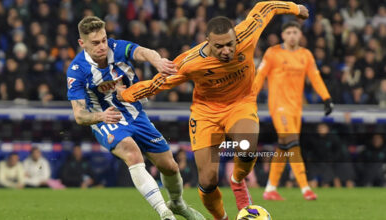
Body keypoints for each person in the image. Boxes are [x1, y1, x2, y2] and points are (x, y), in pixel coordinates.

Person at [117, 2, 309, 219]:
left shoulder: (247, 33)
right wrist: (125, 95)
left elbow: (266, 7)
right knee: (208, 181)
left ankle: (237, 181)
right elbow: (158, 83)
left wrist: (295, 8)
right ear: (208, 42)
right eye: (219, 47)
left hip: (240, 103)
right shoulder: (191, 62)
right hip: (205, 113)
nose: (226, 50)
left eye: (230, 44)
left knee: (247, 148)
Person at [66, 16, 203, 220]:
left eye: (103, 40)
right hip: (107, 120)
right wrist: (101, 115)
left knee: (170, 167)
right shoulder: (77, 71)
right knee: (132, 153)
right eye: (95, 43)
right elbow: (79, 115)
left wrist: (157, 61)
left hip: (136, 114)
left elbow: (142, 52)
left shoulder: (116, 47)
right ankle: (165, 214)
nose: (102, 46)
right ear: (82, 43)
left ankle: (177, 204)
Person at [253, 21, 334, 201]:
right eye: (288, 32)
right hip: (279, 106)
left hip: (296, 108)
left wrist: (326, 98)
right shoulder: (272, 53)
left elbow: (315, 77)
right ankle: (305, 188)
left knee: (284, 147)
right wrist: (251, 97)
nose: (291, 35)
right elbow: (260, 77)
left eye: (295, 32)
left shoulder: (306, 55)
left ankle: (270, 189)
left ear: (300, 35)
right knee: (293, 143)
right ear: (283, 35)